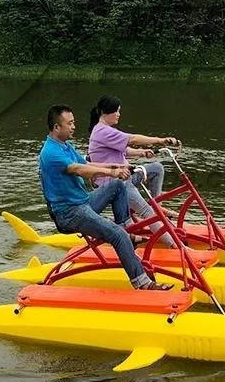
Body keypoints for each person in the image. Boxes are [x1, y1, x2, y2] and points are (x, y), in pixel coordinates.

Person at [38, 104, 172, 291]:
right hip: (69, 213)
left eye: (74, 122)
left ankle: (125, 229)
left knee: (117, 186)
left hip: (83, 202)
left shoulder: (65, 146)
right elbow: (79, 169)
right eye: (70, 124)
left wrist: (117, 168)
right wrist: (111, 172)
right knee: (117, 235)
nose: (74, 126)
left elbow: (88, 164)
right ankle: (143, 283)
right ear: (56, 127)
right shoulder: (51, 152)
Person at [87, 95, 179, 247]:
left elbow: (124, 149)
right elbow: (133, 139)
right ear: (104, 112)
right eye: (116, 111)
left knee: (156, 168)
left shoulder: (106, 130)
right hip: (115, 183)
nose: (119, 114)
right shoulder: (102, 131)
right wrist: (159, 140)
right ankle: (176, 246)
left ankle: (156, 205)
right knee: (148, 213)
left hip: (126, 176)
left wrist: (142, 153)